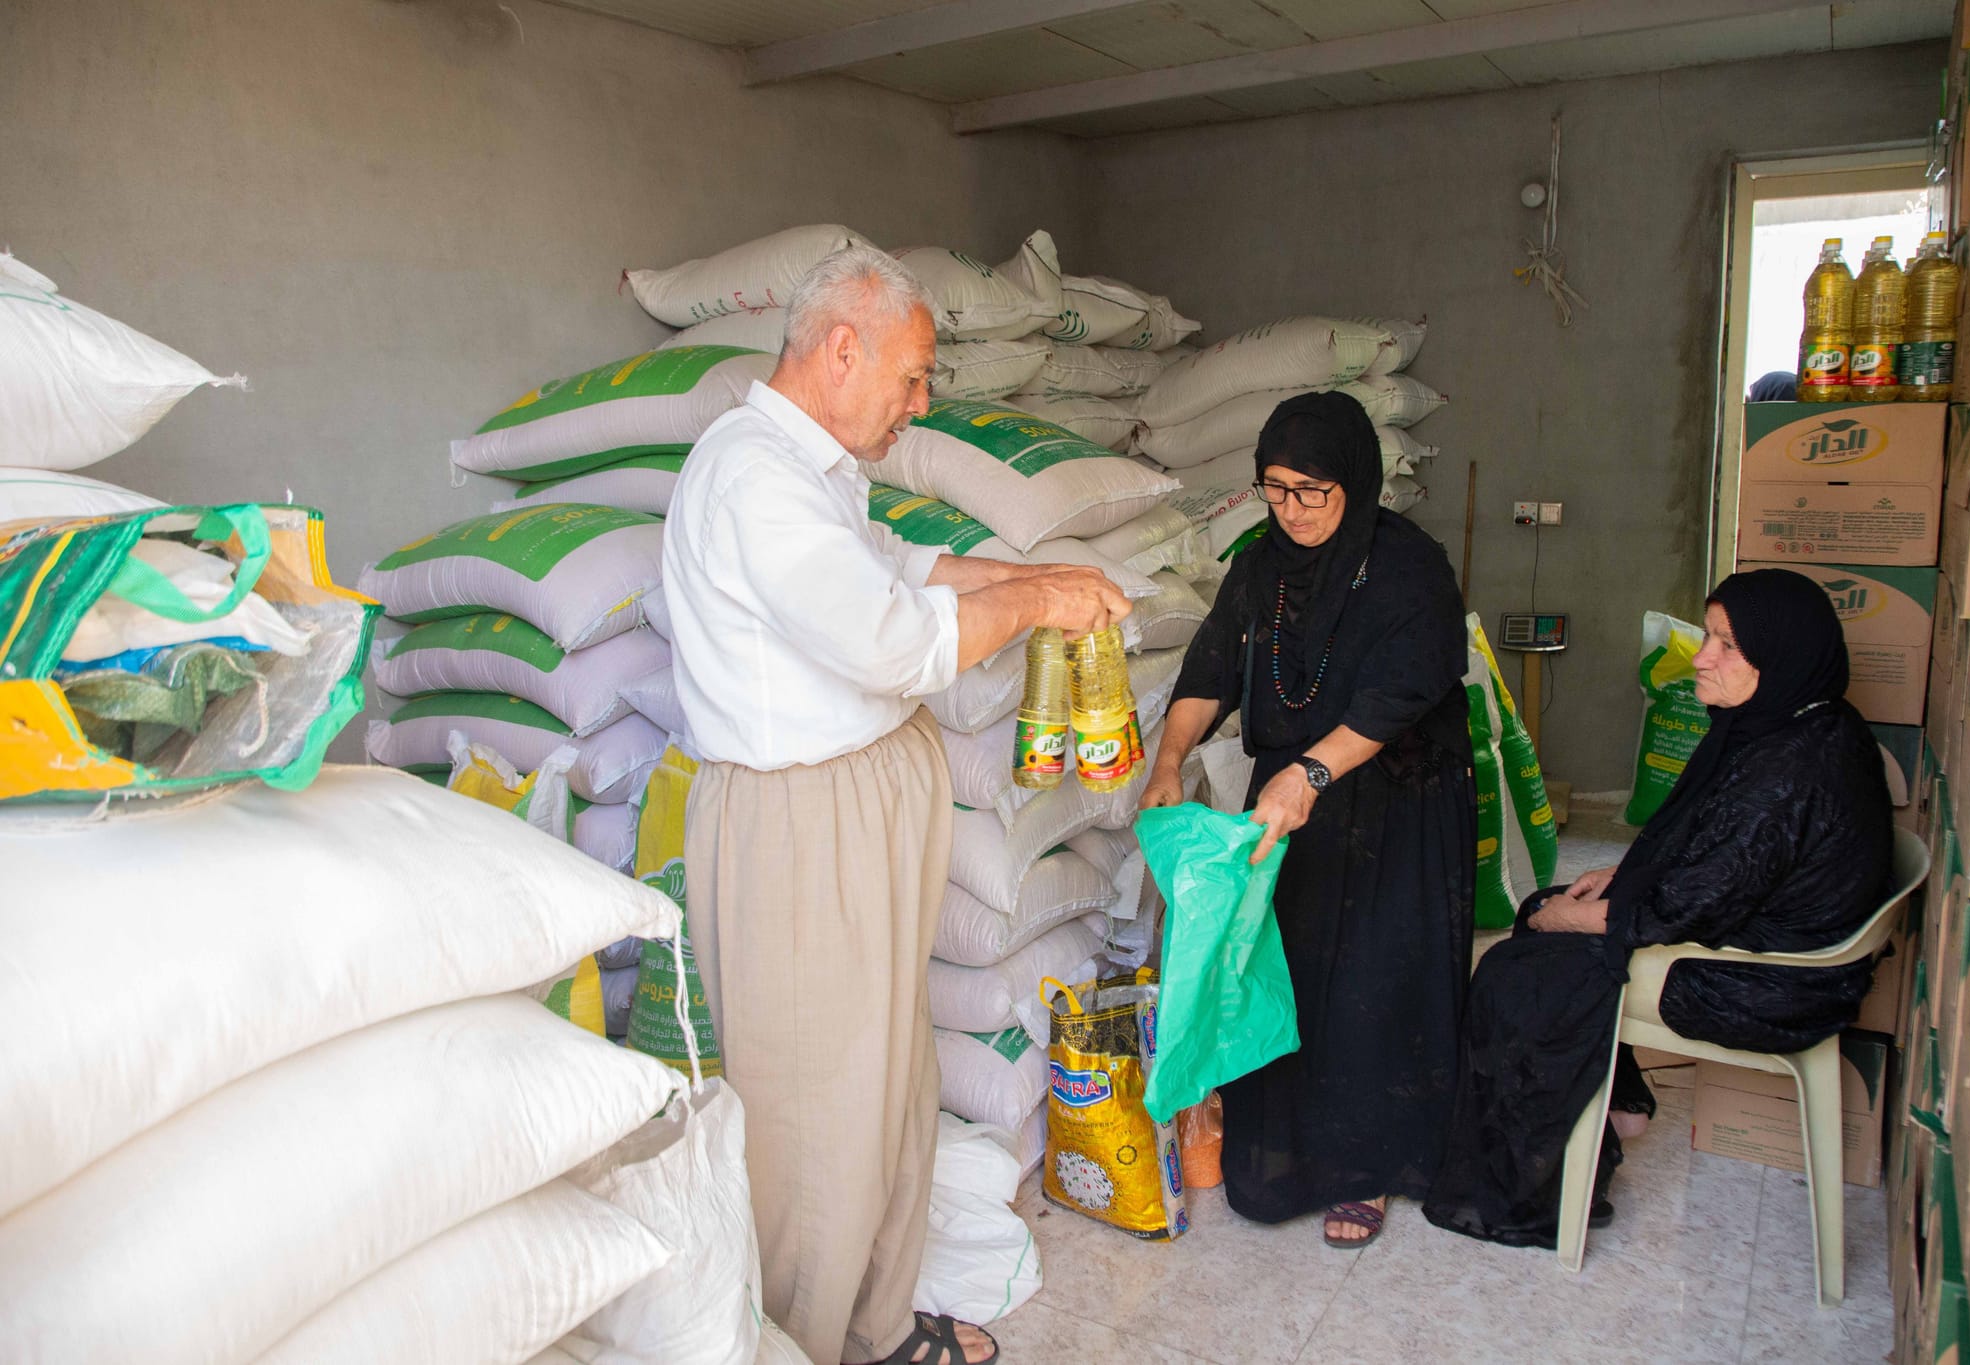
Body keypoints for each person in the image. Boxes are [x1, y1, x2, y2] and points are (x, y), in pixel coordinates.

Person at [662, 245, 1130, 1365]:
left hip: (854, 804)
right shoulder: (752, 477)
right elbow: (885, 639)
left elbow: (894, 567)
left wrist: (1038, 581)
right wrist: (1034, 599)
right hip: (796, 821)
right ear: (839, 349)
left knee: (881, 1081)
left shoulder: (812, 471)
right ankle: (804, 1342)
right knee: (810, 1108)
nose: (920, 403)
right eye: (912, 377)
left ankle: (868, 1329)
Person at [1423, 568, 1894, 1248]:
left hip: (1769, 984)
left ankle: (1532, 1184)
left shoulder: (1790, 768)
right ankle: (1618, 1103)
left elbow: (1686, 905)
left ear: (1782, 651)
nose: (1703, 656)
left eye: (1728, 645)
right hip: (1764, 939)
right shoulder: (1797, 721)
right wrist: (1619, 876)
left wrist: (1582, 915)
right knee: (1543, 910)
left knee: (1519, 966)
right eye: (1710, 635)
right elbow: (1716, 852)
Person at [1138, 390, 1475, 1249]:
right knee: (1281, 972)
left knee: (1370, 983)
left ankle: (1369, 1168)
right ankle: (1280, 1149)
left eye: (1310, 492)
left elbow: (1404, 690)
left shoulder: (1410, 568)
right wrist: (1170, 760)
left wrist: (1312, 769)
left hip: (1395, 797)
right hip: (1291, 805)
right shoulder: (1261, 565)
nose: (1291, 510)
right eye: (1275, 489)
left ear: (1355, 484)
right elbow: (1213, 666)